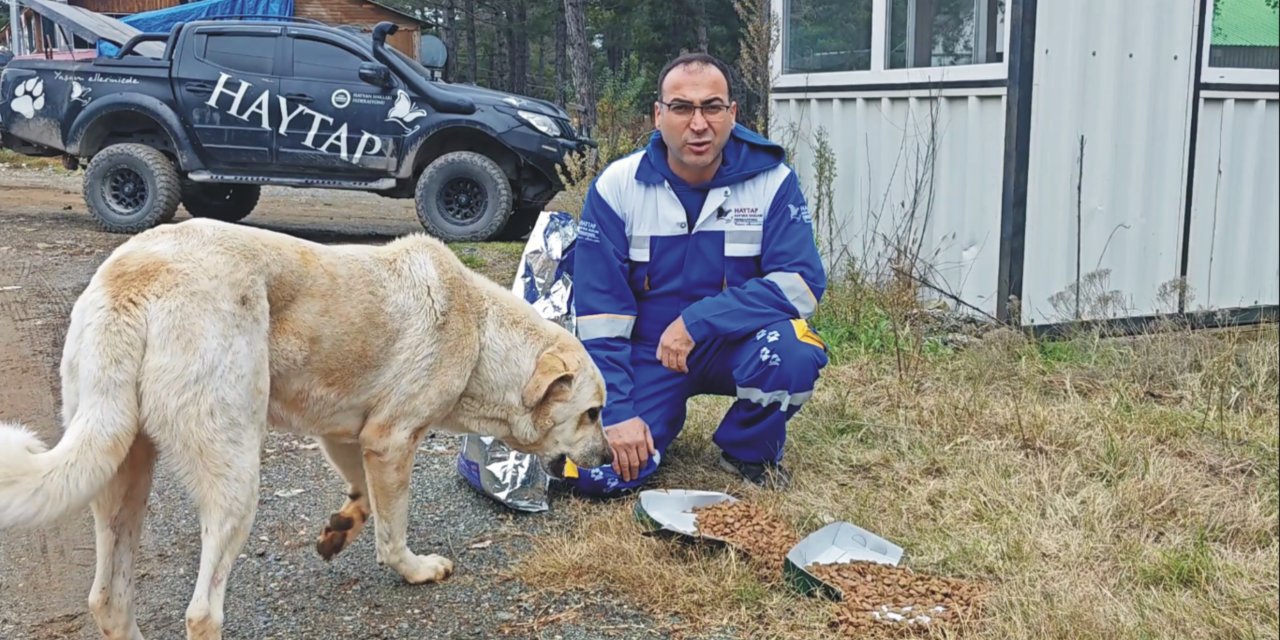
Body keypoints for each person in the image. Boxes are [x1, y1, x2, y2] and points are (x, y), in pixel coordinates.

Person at [566, 52, 828, 496]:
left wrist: (697, 322)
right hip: (647, 354)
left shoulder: (772, 181)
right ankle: (656, 414)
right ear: (658, 114)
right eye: (682, 107)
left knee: (794, 351)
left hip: (737, 343)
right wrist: (619, 411)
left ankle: (748, 450)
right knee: (597, 477)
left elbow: (800, 284)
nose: (699, 124)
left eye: (712, 107)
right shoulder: (617, 187)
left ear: (732, 114)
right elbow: (600, 314)